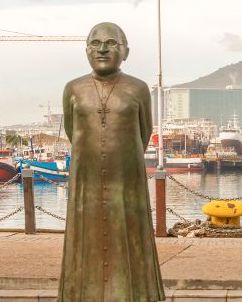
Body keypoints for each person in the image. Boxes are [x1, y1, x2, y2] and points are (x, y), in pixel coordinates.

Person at [58, 22, 165, 302]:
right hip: (86, 181)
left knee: (129, 241)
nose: (102, 49)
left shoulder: (138, 88)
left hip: (126, 180)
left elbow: (144, 133)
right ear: (86, 50)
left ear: (125, 51)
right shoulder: (73, 89)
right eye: (95, 43)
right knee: (85, 242)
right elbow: (73, 132)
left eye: (111, 43)